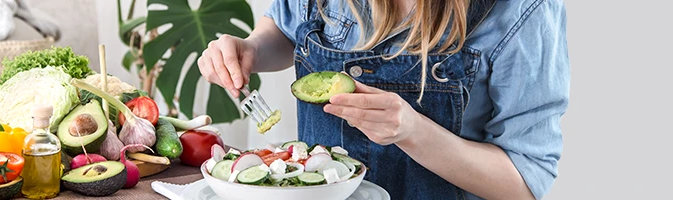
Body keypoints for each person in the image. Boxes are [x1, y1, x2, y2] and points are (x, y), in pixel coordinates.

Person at [197, 0, 569, 199]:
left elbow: (525, 181)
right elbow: (287, 26)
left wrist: (412, 132)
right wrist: (250, 49)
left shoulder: (522, 9)